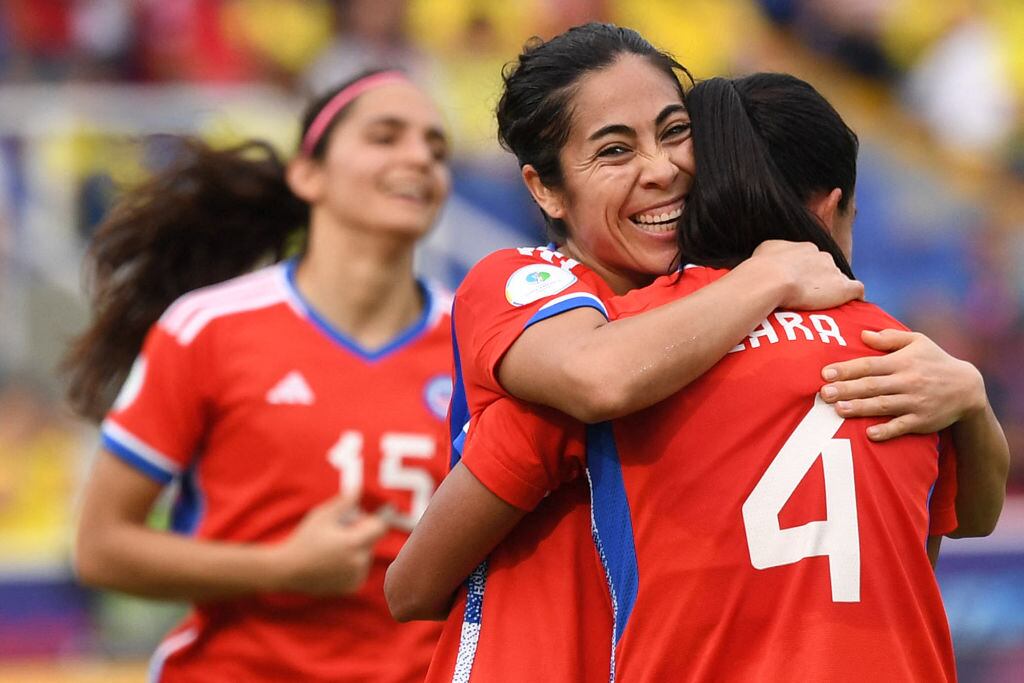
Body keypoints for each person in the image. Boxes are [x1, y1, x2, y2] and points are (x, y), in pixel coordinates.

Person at [385, 24, 1009, 682]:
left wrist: (967, 393)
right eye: (615, 149)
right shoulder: (523, 281)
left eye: (675, 132)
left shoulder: (714, 325)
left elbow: (954, 518)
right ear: (545, 188)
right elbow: (600, 377)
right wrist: (770, 275)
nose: (661, 169)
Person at [65, 69, 454, 682]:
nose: (420, 159)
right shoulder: (208, 328)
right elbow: (101, 547)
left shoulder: (483, 342)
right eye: (386, 136)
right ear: (308, 174)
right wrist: (281, 568)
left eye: (437, 149)